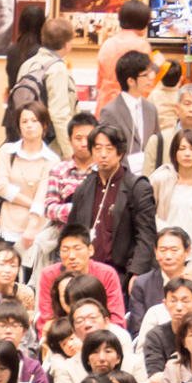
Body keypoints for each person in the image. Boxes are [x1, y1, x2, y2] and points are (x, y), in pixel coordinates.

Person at [67, 124, 158, 290]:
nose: (103, 154)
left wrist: (136, 273)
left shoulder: (137, 187)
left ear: (120, 152)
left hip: (121, 274)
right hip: (86, 272)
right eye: (98, 148)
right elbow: (72, 232)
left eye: (109, 148)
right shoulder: (84, 188)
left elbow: (146, 236)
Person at [0, 104, 59, 253]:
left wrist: (31, 227)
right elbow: (0, 187)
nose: (29, 125)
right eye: (24, 121)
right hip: (8, 225)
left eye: (34, 121)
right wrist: (33, 204)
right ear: (19, 126)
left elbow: (42, 196)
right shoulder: (7, 151)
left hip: (37, 228)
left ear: (44, 125)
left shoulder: (51, 159)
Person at [15, 18, 79, 157]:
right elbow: (59, 115)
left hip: (27, 141)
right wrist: (70, 154)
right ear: (67, 44)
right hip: (51, 146)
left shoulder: (28, 64)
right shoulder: (57, 69)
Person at [151, 133, 192, 260]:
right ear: (174, 152)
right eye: (182, 149)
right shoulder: (161, 179)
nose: (187, 154)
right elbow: (151, 214)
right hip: (167, 251)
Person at [95, 0, 152, 114]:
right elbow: (145, 82)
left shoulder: (107, 43)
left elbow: (99, 80)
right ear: (143, 22)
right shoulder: (142, 46)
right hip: (131, 103)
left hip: (106, 102)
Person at [101, 51, 159, 161]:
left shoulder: (151, 109)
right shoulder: (110, 111)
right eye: (145, 75)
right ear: (131, 81)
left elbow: (156, 144)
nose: (150, 78)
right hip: (122, 174)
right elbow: (106, 150)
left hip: (148, 173)